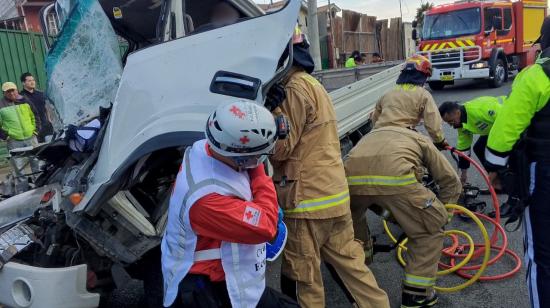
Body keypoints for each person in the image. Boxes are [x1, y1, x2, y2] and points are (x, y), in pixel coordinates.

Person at [268, 28, 389, 308]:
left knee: (304, 279)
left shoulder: (290, 90)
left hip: (305, 202)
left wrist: (270, 114)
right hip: (333, 197)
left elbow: (282, 149)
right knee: (354, 270)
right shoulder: (313, 84)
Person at [161, 101, 298, 308]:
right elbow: (267, 226)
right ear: (241, 157)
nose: (261, 160)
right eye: (260, 155)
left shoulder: (206, 148)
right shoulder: (206, 200)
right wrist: (261, 175)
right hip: (207, 290)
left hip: (222, 276)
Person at [345, 126, 461, 308]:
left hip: (350, 182)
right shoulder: (417, 137)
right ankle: (416, 296)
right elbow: (451, 181)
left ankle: (362, 263)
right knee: (429, 230)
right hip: (395, 182)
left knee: (354, 223)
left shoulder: (371, 135)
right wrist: (442, 216)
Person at [484, 17, 550, 308]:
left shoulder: (536, 77)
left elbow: (500, 139)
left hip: (544, 173)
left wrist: (496, 171)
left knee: (543, 257)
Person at [371, 54, 448, 150]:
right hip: (404, 136)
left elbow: (375, 118)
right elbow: (433, 124)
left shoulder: (387, 94)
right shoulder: (423, 95)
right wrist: (440, 141)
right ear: (422, 76)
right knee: (438, 163)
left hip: (379, 136)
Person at [439, 97, 505, 184]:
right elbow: (464, 150)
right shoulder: (461, 124)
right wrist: (463, 175)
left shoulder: (478, 110)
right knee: (479, 148)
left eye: (451, 121)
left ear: (457, 113)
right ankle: (498, 182)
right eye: (448, 123)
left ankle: (504, 179)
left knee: (495, 149)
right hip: (494, 130)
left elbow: (505, 117)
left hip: (508, 121)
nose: (451, 125)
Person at [0, 82, 41, 178]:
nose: (11, 93)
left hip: (31, 137)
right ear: (4, 93)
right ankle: (22, 188)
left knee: (36, 162)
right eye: (8, 91)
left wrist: (36, 131)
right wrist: (6, 136)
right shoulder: (1, 105)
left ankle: (39, 182)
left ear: (16, 90)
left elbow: (35, 115)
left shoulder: (25, 100)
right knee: (18, 167)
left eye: (13, 90)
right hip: (14, 141)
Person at [19, 72, 53, 143]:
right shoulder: (21, 97)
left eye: (33, 80)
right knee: (38, 150)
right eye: (29, 81)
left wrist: (49, 120)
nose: (32, 82)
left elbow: (46, 107)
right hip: (33, 129)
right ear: (23, 83)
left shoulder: (40, 94)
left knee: (50, 146)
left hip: (46, 126)